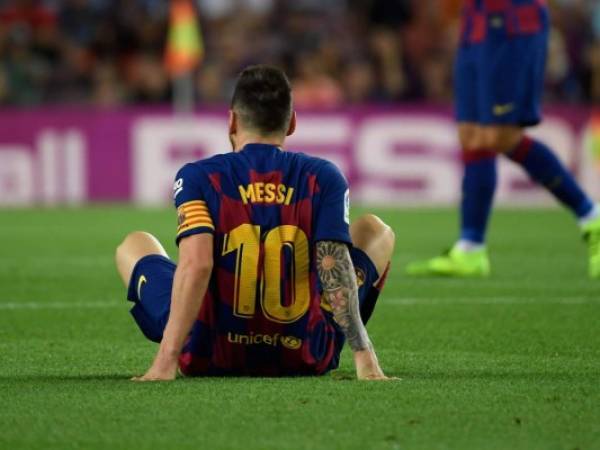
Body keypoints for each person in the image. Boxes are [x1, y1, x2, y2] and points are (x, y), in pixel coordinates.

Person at [115, 65, 395, 381]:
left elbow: (197, 264)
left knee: (135, 244)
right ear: (291, 123)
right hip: (307, 354)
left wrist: (166, 361)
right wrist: (364, 356)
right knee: (375, 230)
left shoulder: (198, 176)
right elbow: (333, 261)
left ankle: (175, 346)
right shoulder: (324, 176)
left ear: (232, 120)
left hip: (208, 353)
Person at [407, 0, 600, 278]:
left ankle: (590, 215)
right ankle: (471, 249)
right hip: (476, 20)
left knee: (500, 135)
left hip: (511, 20)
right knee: (472, 135)